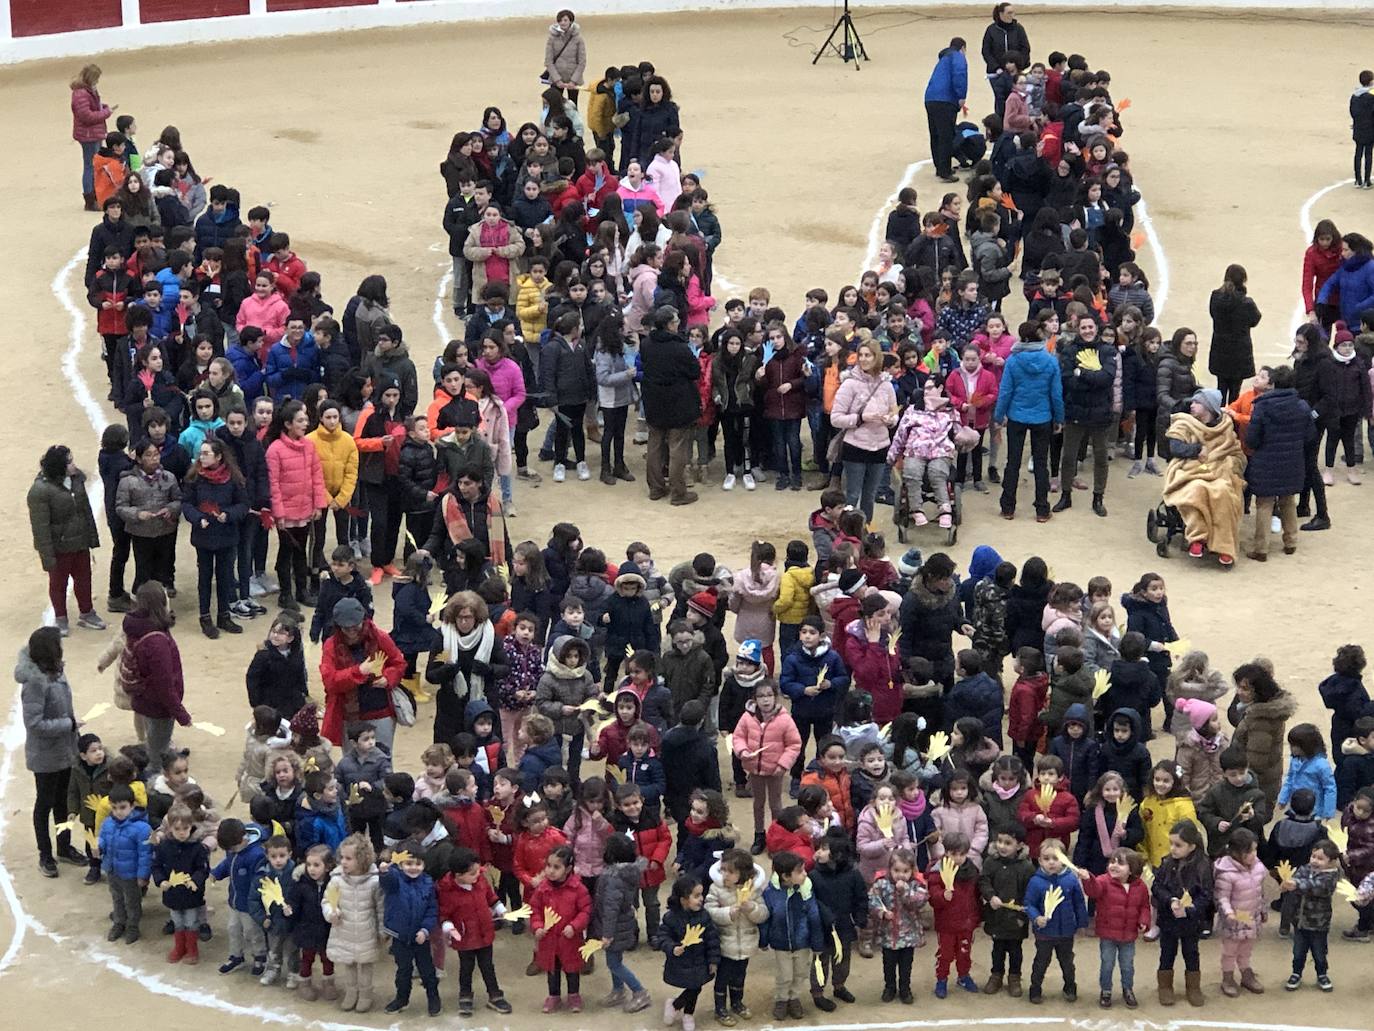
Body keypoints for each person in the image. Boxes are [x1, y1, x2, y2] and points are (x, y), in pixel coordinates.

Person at [18, 627, 82, 878]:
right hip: (45, 756)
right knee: (44, 804)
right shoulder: (35, 683)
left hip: (64, 750)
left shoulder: (55, 670)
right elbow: (34, 724)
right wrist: (69, 725)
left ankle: (64, 847)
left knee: (63, 803)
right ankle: (46, 854)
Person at [28, 444, 106, 635]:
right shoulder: (40, 491)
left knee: (84, 578)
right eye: (69, 461)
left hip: (79, 542)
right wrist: (47, 556)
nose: (74, 465)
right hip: (59, 547)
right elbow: (41, 528)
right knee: (58, 583)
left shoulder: (76, 480)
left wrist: (90, 538)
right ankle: (61, 617)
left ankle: (87, 612)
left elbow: (85, 511)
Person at [1163, 388, 1245, 566]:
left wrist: (1229, 464)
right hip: (1190, 470)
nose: (1191, 405)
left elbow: (1236, 452)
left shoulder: (1225, 427)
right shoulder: (1183, 423)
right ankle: (1197, 538)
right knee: (1197, 490)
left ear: (1208, 407)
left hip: (1218, 471)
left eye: (1196, 403)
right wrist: (1197, 450)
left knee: (1224, 492)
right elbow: (1175, 448)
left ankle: (1224, 546)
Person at [994, 321, 1063, 521]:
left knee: (1012, 462)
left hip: (1017, 416)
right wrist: (1059, 417)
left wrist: (999, 416)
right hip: (1042, 417)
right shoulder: (1050, 361)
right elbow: (1056, 394)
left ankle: (1008, 507)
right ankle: (1042, 509)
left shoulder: (1013, 361)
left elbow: (1005, 392)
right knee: (1041, 463)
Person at [1244, 365, 1315, 561]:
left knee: (1264, 504)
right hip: (1292, 460)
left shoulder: (1262, 406)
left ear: (1273, 383)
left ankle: (1261, 548)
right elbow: (1310, 435)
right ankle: (1291, 542)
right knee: (1288, 501)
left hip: (1265, 461)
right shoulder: (1302, 406)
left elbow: (1252, 438)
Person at [320, 597, 406, 750]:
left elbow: (398, 662)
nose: (352, 631)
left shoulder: (379, 637)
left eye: (356, 626)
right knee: (352, 763)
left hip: (381, 712)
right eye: (347, 628)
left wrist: (388, 677)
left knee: (383, 760)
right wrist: (359, 671)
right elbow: (330, 681)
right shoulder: (331, 646)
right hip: (350, 716)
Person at [1054, 312, 1118, 516]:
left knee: (1100, 456)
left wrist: (1082, 374)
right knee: (1069, 456)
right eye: (1083, 328)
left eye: (1090, 327)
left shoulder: (1107, 350)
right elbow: (1067, 380)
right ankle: (1066, 495)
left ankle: (1098, 497)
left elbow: (1107, 378)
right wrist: (1094, 379)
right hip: (1076, 410)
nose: (1087, 331)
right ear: (1078, 330)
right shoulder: (1069, 351)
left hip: (1100, 413)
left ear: (1096, 328)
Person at [640, 305, 703, 505]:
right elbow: (694, 371)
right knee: (678, 449)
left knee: (655, 445)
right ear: (668, 325)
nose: (678, 324)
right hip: (678, 403)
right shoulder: (679, 347)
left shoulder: (646, 344)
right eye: (675, 321)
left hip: (654, 401)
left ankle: (656, 488)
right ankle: (678, 492)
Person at [830, 338, 898, 520]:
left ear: (877, 357)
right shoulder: (849, 384)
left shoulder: (887, 385)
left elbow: (894, 411)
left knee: (870, 496)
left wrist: (890, 420)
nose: (864, 359)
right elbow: (835, 418)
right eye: (861, 355)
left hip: (880, 446)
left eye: (868, 355)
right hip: (856, 447)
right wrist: (861, 418)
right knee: (852, 495)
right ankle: (848, 532)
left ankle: (865, 531)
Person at [121, 582, 191, 758]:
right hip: (158, 706)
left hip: (144, 699)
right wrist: (181, 714)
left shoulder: (137, 626)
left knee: (154, 741)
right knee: (157, 759)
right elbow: (164, 685)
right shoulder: (157, 641)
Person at [1208, 265, 1262, 406]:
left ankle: (1218, 419)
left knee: (1221, 386)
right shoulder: (1246, 302)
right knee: (1235, 392)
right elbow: (1255, 320)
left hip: (1220, 348)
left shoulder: (1215, 297)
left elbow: (1213, 314)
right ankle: (1232, 422)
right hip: (1239, 352)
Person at [924, 39, 969, 184]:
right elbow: (959, 75)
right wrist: (961, 96)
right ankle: (945, 171)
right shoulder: (957, 57)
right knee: (946, 136)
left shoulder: (943, 59)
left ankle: (940, 167)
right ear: (962, 48)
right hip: (945, 100)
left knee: (935, 134)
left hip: (930, 98)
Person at [71, 64, 113, 209]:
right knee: (90, 166)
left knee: (93, 165)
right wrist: (106, 112)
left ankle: (94, 196)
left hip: (91, 133)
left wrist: (103, 108)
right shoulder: (82, 93)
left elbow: (91, 109)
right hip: (89, 135)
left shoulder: (84, 91)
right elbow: (87, 116)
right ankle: (90, 198)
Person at [543, 11, 586, 103]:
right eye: (560, 20)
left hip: (573, 80)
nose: (563, 23)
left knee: (573, 106)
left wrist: (573, 81)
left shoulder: (578, 38)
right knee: (555, 106)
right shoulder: (552, 38)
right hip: (556, 80)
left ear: (570, 21)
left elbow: (582, 62)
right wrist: (557, 80)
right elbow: (548, 61)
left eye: (565, 20)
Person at [980, 3, 1029, 75]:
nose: (1012, 15)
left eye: (1013, 12)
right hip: (997, 72)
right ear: (1001, 14)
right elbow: (986, 51)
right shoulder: (991, 30)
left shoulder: (1019, 28)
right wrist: (996, 67)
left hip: (1017, 71)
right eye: (1009, 13)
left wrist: (1019, 66)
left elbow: (1025, 48)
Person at [1351, 70, 1374, 190]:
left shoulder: (1355, 95)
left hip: (1358, 128)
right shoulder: (1371, 96)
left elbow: (1353, 112)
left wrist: (1356, 123)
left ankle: (1358, 180)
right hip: (1370, 129)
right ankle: (1367, 181)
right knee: (1368, 154)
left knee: (1358, 153)